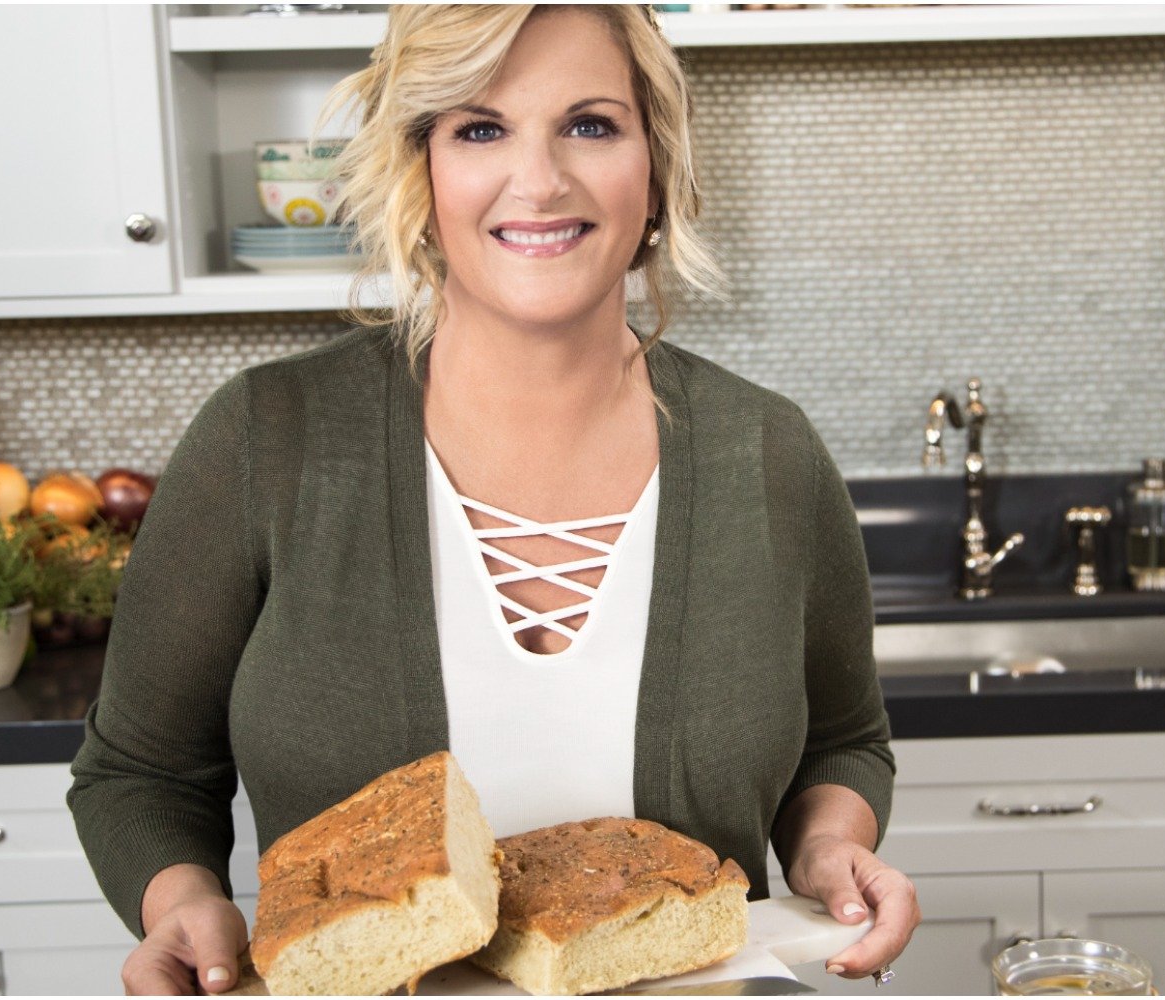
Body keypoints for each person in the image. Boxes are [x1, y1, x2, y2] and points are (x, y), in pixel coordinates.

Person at [67, 5, 917, 994]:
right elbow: (143, 771)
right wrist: (181, 902)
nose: (540, 178)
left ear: (655, 169)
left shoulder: (765, 451)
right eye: (479, 128)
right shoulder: (268, 439)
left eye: (590, 124)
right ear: (421, 170)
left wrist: (826, 848)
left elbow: (842, 741)